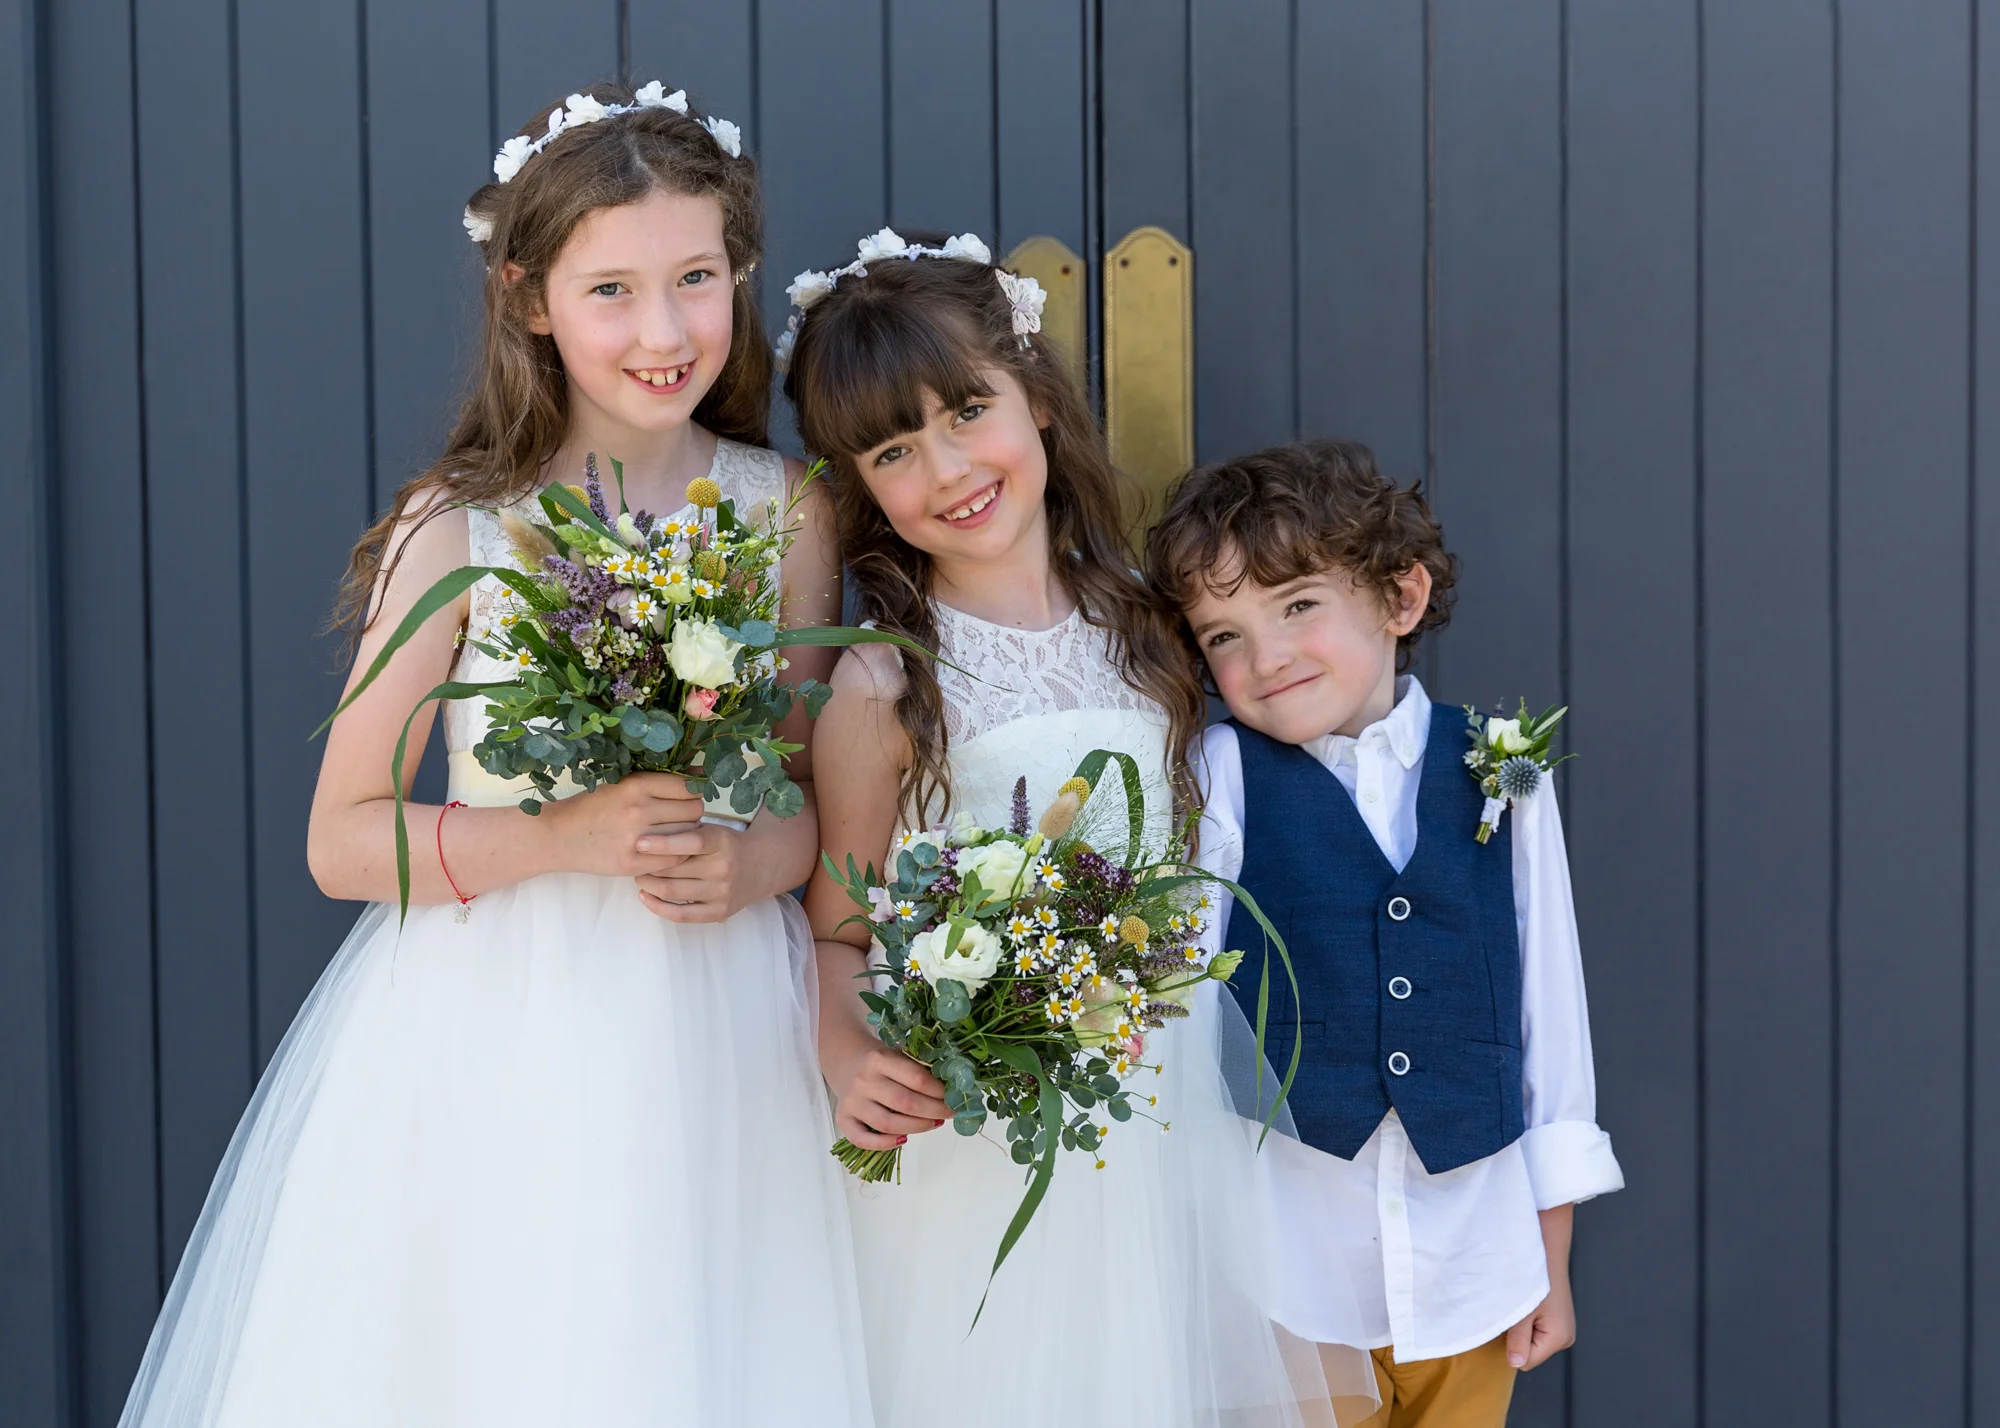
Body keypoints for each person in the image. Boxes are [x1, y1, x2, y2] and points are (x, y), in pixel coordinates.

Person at [117, 81, 872, 1427]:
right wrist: (562, 836)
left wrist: (753, 862)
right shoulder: (461, 526)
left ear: (739, 275)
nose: (663, 332)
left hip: (729, 1036)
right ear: (528, 300)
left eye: (696, 280)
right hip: (505, 1031)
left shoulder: (787, 512)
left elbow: (810, 800)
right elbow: (343, 838)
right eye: (611, 292)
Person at [785, 230, 1376, 1428]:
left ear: (1038, 399)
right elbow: (837, 930)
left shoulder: (1151, 633)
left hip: (1151, 1118)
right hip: (973, 1134)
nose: (948, 468)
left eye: (966, 412)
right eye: (894, 452)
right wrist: (847, 1053)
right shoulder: (885, 686)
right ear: (860, 488)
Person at [1145, 438, 1625, 1428]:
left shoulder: (1499, 771)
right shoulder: (1219, 775)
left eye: (1296, 606)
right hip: (1289, 1273)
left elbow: (1549, 1012)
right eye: (1223, 635)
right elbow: (1177, 1012)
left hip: (1472, 1265)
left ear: (1400, 598)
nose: (1264, 658)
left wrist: (1549, 1253)